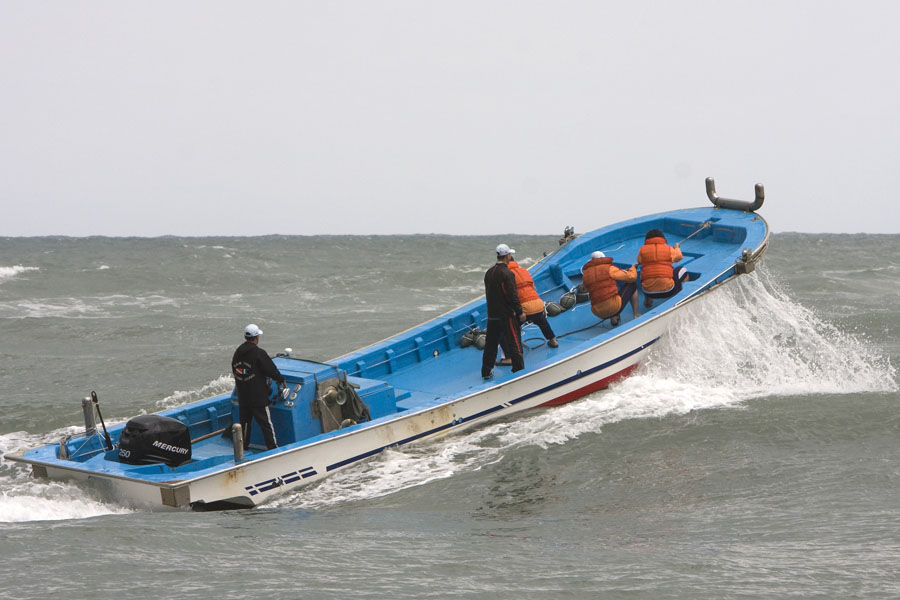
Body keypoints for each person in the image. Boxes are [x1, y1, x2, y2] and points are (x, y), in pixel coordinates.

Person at [231, 323, 285, 450]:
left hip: (243, 397)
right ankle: (272, 449)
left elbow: (237, 370)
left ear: (245, 337)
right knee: (266, 424)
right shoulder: (258, 353)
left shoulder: (237, 352)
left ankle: (242, 449)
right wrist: (281, 380)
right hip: (258, 398)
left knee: (244, 424)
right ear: (256, 338)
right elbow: (271, 370)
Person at [481, 244, 526, 379]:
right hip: (506, 315)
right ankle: (519, 370)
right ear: (507, 256)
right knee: (514, 342)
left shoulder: (489, 273)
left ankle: (486, 371)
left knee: (491, 345)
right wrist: (519, 312)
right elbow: (512, 295)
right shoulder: (507, 273)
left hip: (492, 315)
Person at [508, 257, 558, 350]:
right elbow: (533, 287)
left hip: (524, 308)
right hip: (537, 304)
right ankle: (553, 340)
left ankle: (516, 348)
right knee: (543, 322)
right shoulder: (524, 271)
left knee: (514, 328)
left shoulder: (506, 276)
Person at [581, 251, 640, 326]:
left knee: (605, 293)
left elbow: (586, 288)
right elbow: (632, 277)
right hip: (613, 307)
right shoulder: (609, 268)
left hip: (597, 312)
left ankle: (614, 319)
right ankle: (636, 314)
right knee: (632, 285)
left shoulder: (585, 274)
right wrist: (633, 268)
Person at [637, 229, 689, 308]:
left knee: (644, 272)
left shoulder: (642, 250)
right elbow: (679, 257)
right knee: (683, 270)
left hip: (648, 292)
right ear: (662, 238)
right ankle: (682, 296)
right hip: (668, 291)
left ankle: (648, 299)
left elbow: (639, 261)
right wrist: (677, 248)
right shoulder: (668, 249)